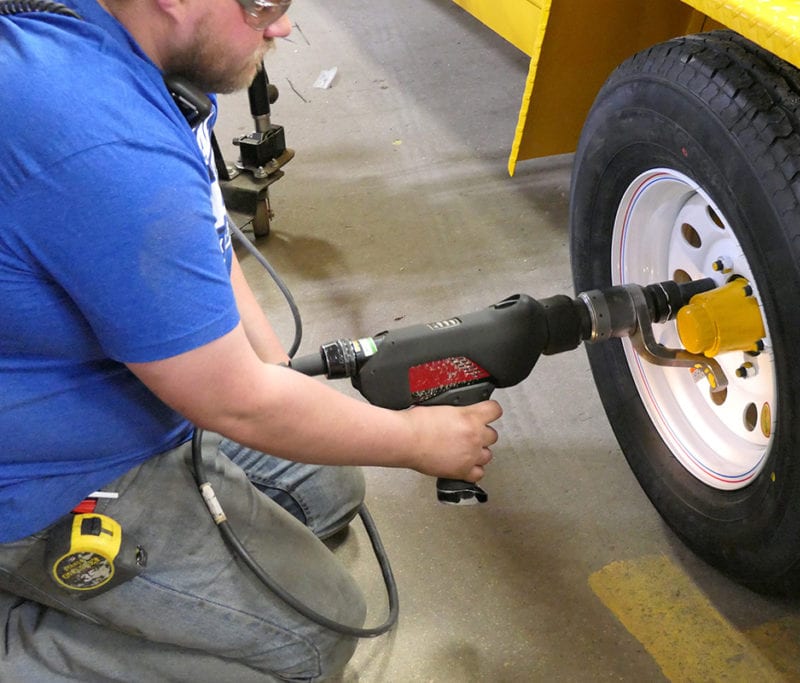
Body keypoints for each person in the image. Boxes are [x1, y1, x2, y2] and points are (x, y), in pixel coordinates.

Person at [0, 0, 502, 679]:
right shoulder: (105, 141)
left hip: (108, 380)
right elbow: (234, 403)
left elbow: (201, 230)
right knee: (311, 641)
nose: (284, 26)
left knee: (324, 488)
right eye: (262, 3)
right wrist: (422, 439)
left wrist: (273, 368)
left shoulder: (135, 57)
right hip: (39, 478)